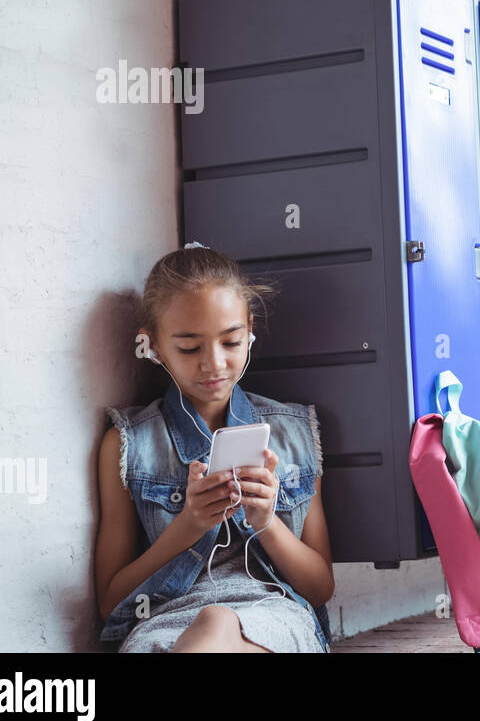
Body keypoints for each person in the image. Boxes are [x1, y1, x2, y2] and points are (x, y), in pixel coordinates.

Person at [94, 242, 334, 652]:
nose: (214, 364)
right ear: (151, 345)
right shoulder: (128, 443)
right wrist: (189, 526)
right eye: (189, 348)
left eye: (231, 342)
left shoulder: (293, 433)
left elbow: (320, 587)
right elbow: (110, 601)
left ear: (250, 332)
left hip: (272, 614)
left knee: (219, 625)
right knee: (204, 630)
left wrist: (266, 522)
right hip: (164, 619)